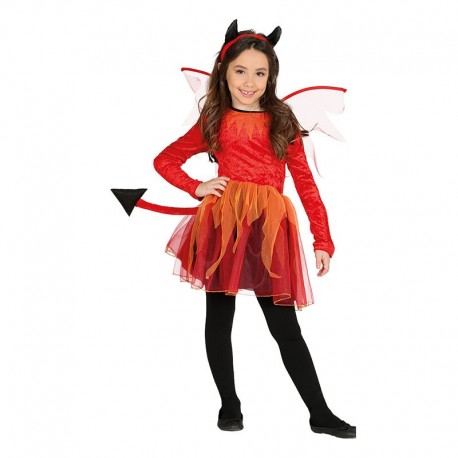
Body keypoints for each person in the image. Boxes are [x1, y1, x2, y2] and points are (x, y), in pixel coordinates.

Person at [153, 19, 356, 438]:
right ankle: (229, 405)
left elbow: (306, 183)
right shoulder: (214, 119)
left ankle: (319, 413)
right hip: (223, 226)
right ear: (224, 72)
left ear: (271, 76)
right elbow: (165, 159)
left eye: (259, 73)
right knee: (218, 317)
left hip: (268, 230)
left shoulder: (282, 120)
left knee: (285, 326)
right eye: (240, 71)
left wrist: (323, 239)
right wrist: (196, 186)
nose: (249, 82)